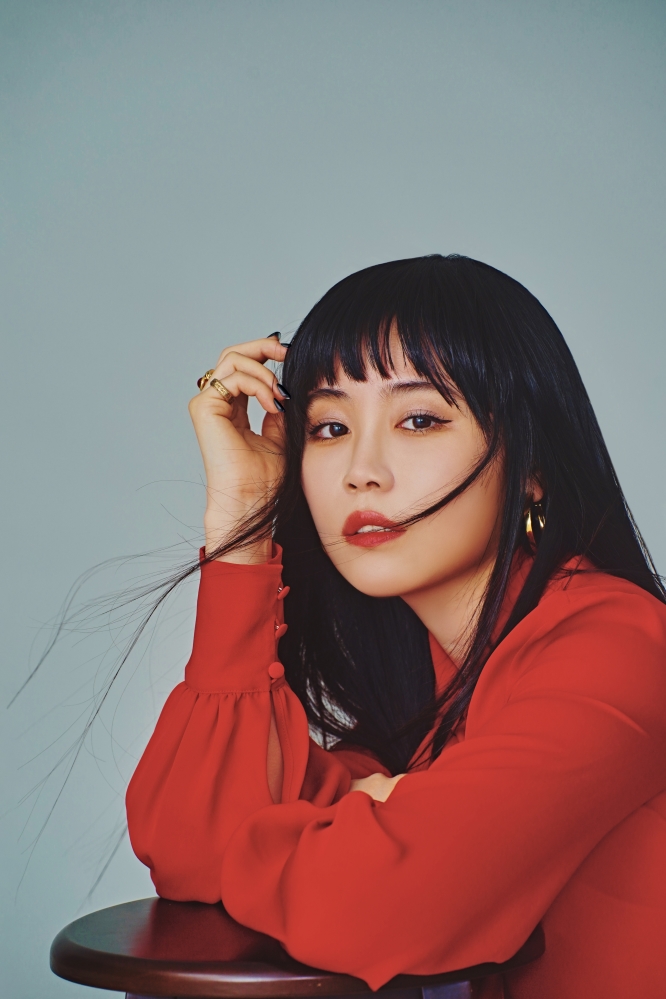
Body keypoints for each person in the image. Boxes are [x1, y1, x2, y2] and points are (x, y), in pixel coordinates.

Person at [126, 255, 666, 999]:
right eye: (330, 427)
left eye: (419, 419)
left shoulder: (617, 646)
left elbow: (368, 906)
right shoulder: (430, 699)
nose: (362, 470)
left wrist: (346, 818)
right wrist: (242, 531)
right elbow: (188, 847)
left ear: (532, 465)